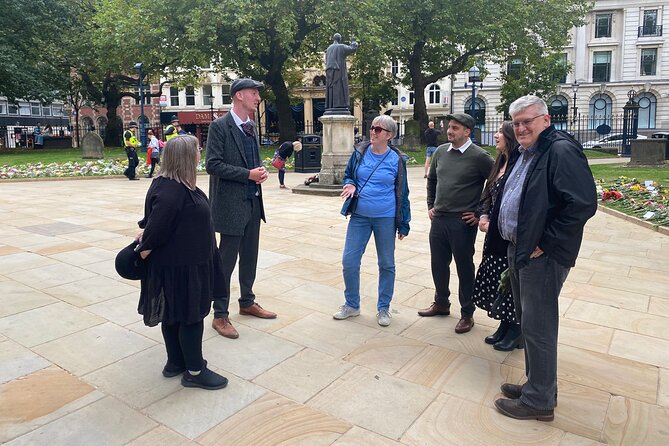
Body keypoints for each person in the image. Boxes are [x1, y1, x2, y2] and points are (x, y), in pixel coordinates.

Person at [494, 95, 597, 421]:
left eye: (528, 121)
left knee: (539, 327)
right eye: (517, 122)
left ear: (546, 120)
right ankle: (536, 385)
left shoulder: (560, 151)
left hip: (542, 257)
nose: (521, 127)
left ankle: (539, 402)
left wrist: (547, 243)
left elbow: (582, 204)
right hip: (522, 250)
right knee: (530, 324)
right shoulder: (530, 151)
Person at [136, 135, 228, 390]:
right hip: (183, 267)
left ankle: (175, 362)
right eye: (197, 149)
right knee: (190, 317)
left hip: (185, 263)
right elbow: (157, 227)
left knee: (174, 315)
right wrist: (144, 247)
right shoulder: (173, 191)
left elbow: (151, 221)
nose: (201, 152)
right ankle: (195, 371)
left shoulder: (171, 184)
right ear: (186, 157)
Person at [206, 78, 277, 340]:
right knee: (226, 262)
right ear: (238, 96)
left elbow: (251, 163)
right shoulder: (220, 127)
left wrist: (259, 172)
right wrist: (247, 174)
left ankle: (247, 302)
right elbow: (213, 164)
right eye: (254, 93)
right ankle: (220, 314)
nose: (257, 98)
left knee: (250, 257)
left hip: (252, 204)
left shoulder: (250, 127)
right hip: (230, 206)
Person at [418, 113, 494, 334]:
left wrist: (480, 212)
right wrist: (430, 204)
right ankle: (441, 302)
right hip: (439, 219)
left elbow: (495, 185)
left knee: (464, 268)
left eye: (455, 128)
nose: (449, 131)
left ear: (467, 131)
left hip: (462, 222)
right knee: (438, 264)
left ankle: (467, 313)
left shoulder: (480, 157)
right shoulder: (441, 152)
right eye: (448, 127)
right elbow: (432, 180)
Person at [334, 115, 411, 327]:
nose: (373, 132)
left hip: (385, 218)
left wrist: (404, 223)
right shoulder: (360, 153)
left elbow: (403, 194)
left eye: (378, 129)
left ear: (389, 135)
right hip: (359, 216)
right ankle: (352, 305)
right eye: (372, 128)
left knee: (386, 263)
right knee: (349, 261)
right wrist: (350, 184)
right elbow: (349, 175)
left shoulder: (397, 160)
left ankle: (383, 308)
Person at [472, 122, 521, 351]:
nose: (495, 135)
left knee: (510, 280)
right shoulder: (499, 162)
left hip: (507, 235)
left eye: (500, 132)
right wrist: (483, 217)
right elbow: (487, 194)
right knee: (499, 281)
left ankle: (516, 330)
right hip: (492, 233)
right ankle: (504, 324)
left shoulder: (518, 165)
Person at [325, 33, 358, 112]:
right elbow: (353, 48)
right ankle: (340, 105)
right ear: (339, 39)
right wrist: (353, 41)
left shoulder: (328, 49)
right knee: (340, 87)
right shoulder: (341, 47)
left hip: (329, 71)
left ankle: (331, 105)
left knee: (332, 88)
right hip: (339, 70)